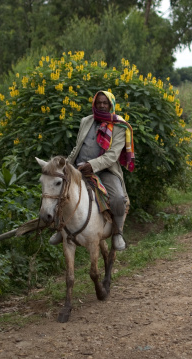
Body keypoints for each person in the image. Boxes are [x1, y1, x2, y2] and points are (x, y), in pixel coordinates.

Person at [48, 90, 135, 251]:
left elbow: (112, 155)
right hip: (79, 168)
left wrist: (92, 165)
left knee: (118, 198)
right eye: (98, 102)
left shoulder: (119, 126)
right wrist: (66, 165)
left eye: (105, 103)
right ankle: (60, 229)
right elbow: (78, 146)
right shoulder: (86, 121)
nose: (101, 105)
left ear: (111, 105)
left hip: (106, 171)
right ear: (94, 104)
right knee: (59, 190)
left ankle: (117, 233)